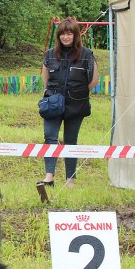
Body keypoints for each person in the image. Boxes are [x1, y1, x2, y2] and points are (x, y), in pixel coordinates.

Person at [38, 17, 98, 188]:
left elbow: (94, 80)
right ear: (58, 36)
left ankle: (70, 180)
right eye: (62, 34)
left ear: (75, 35)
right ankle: (49, 176)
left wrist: (79, 92)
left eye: (69, 34)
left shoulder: (86, 54)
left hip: (76, 104)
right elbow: (45, 77)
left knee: (71, 141)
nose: (65, 37)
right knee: (50, 137)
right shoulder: (50, 54)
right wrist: (50, 94)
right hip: (53, 103)